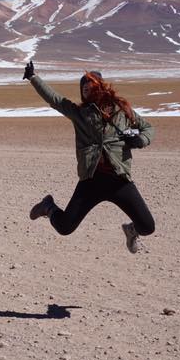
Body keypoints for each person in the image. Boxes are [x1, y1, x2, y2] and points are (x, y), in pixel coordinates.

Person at [24, 61, 156, 253]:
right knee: (64, 227)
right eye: (83, 88)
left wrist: (141, 140)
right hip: (91, 181)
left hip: (119, 180)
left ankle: (130, 230)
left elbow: (148, 128)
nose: (86, 90)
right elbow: (55, 99)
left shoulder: (122, 110)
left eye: (91, 86)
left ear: (101, 87)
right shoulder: (79, 114)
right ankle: (48, 207)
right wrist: (33, 78)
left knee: (147, 227)